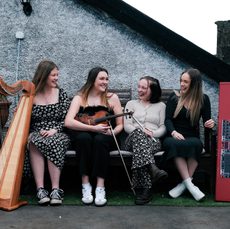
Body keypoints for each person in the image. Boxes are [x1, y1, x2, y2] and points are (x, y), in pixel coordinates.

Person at [64, 67, 123, 206]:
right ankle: (86, 184)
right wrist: (92, 128)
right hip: (84, 134)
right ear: (92, 80)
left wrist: (113, 132)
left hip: (105, 136)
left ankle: (100, 186)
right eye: (101, 79)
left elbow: (120, 124)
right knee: (83, 139)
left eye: (107, 79)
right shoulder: (80, 98)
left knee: (99, 140)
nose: (105, 82)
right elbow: (68, 122)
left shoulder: (112, 98)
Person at [163, 68, 215, 201]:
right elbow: (167, 120)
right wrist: (174, 132)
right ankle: (191, 186)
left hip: (192, 137)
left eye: (186, 82)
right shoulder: (174, 97)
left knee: (196, 144)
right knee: (174, 144)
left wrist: (211, 124)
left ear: (194, 84)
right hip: (174, 136)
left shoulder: (203, 99)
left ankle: (184, 184)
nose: (182, 84)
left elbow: (207, 123)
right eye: (181, 80)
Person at [28, 60, 70, 205]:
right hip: (37, 131)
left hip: (58, 131)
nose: (56, 78)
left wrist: (55, 130)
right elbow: (28, 120)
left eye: (57, 75)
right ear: (44, 75)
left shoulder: (61, 93)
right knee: (34, 141)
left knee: (54, 141)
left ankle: (55, 190)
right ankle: (40, 189)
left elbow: (66, 118)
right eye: (53, 75)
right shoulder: (31, 95)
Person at [124, 76, 168, 205]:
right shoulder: (131, 104)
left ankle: (145, 189)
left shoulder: (161, 106)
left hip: (153, 141)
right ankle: (152, 170)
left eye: (144, 87)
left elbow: (163, 127)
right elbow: (127, 126)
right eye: (139, 86)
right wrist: (141, 132)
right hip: (131, 140)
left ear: (153, 90)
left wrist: (153, 133)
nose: (139, 90)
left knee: (143, 150)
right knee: (138, 133)